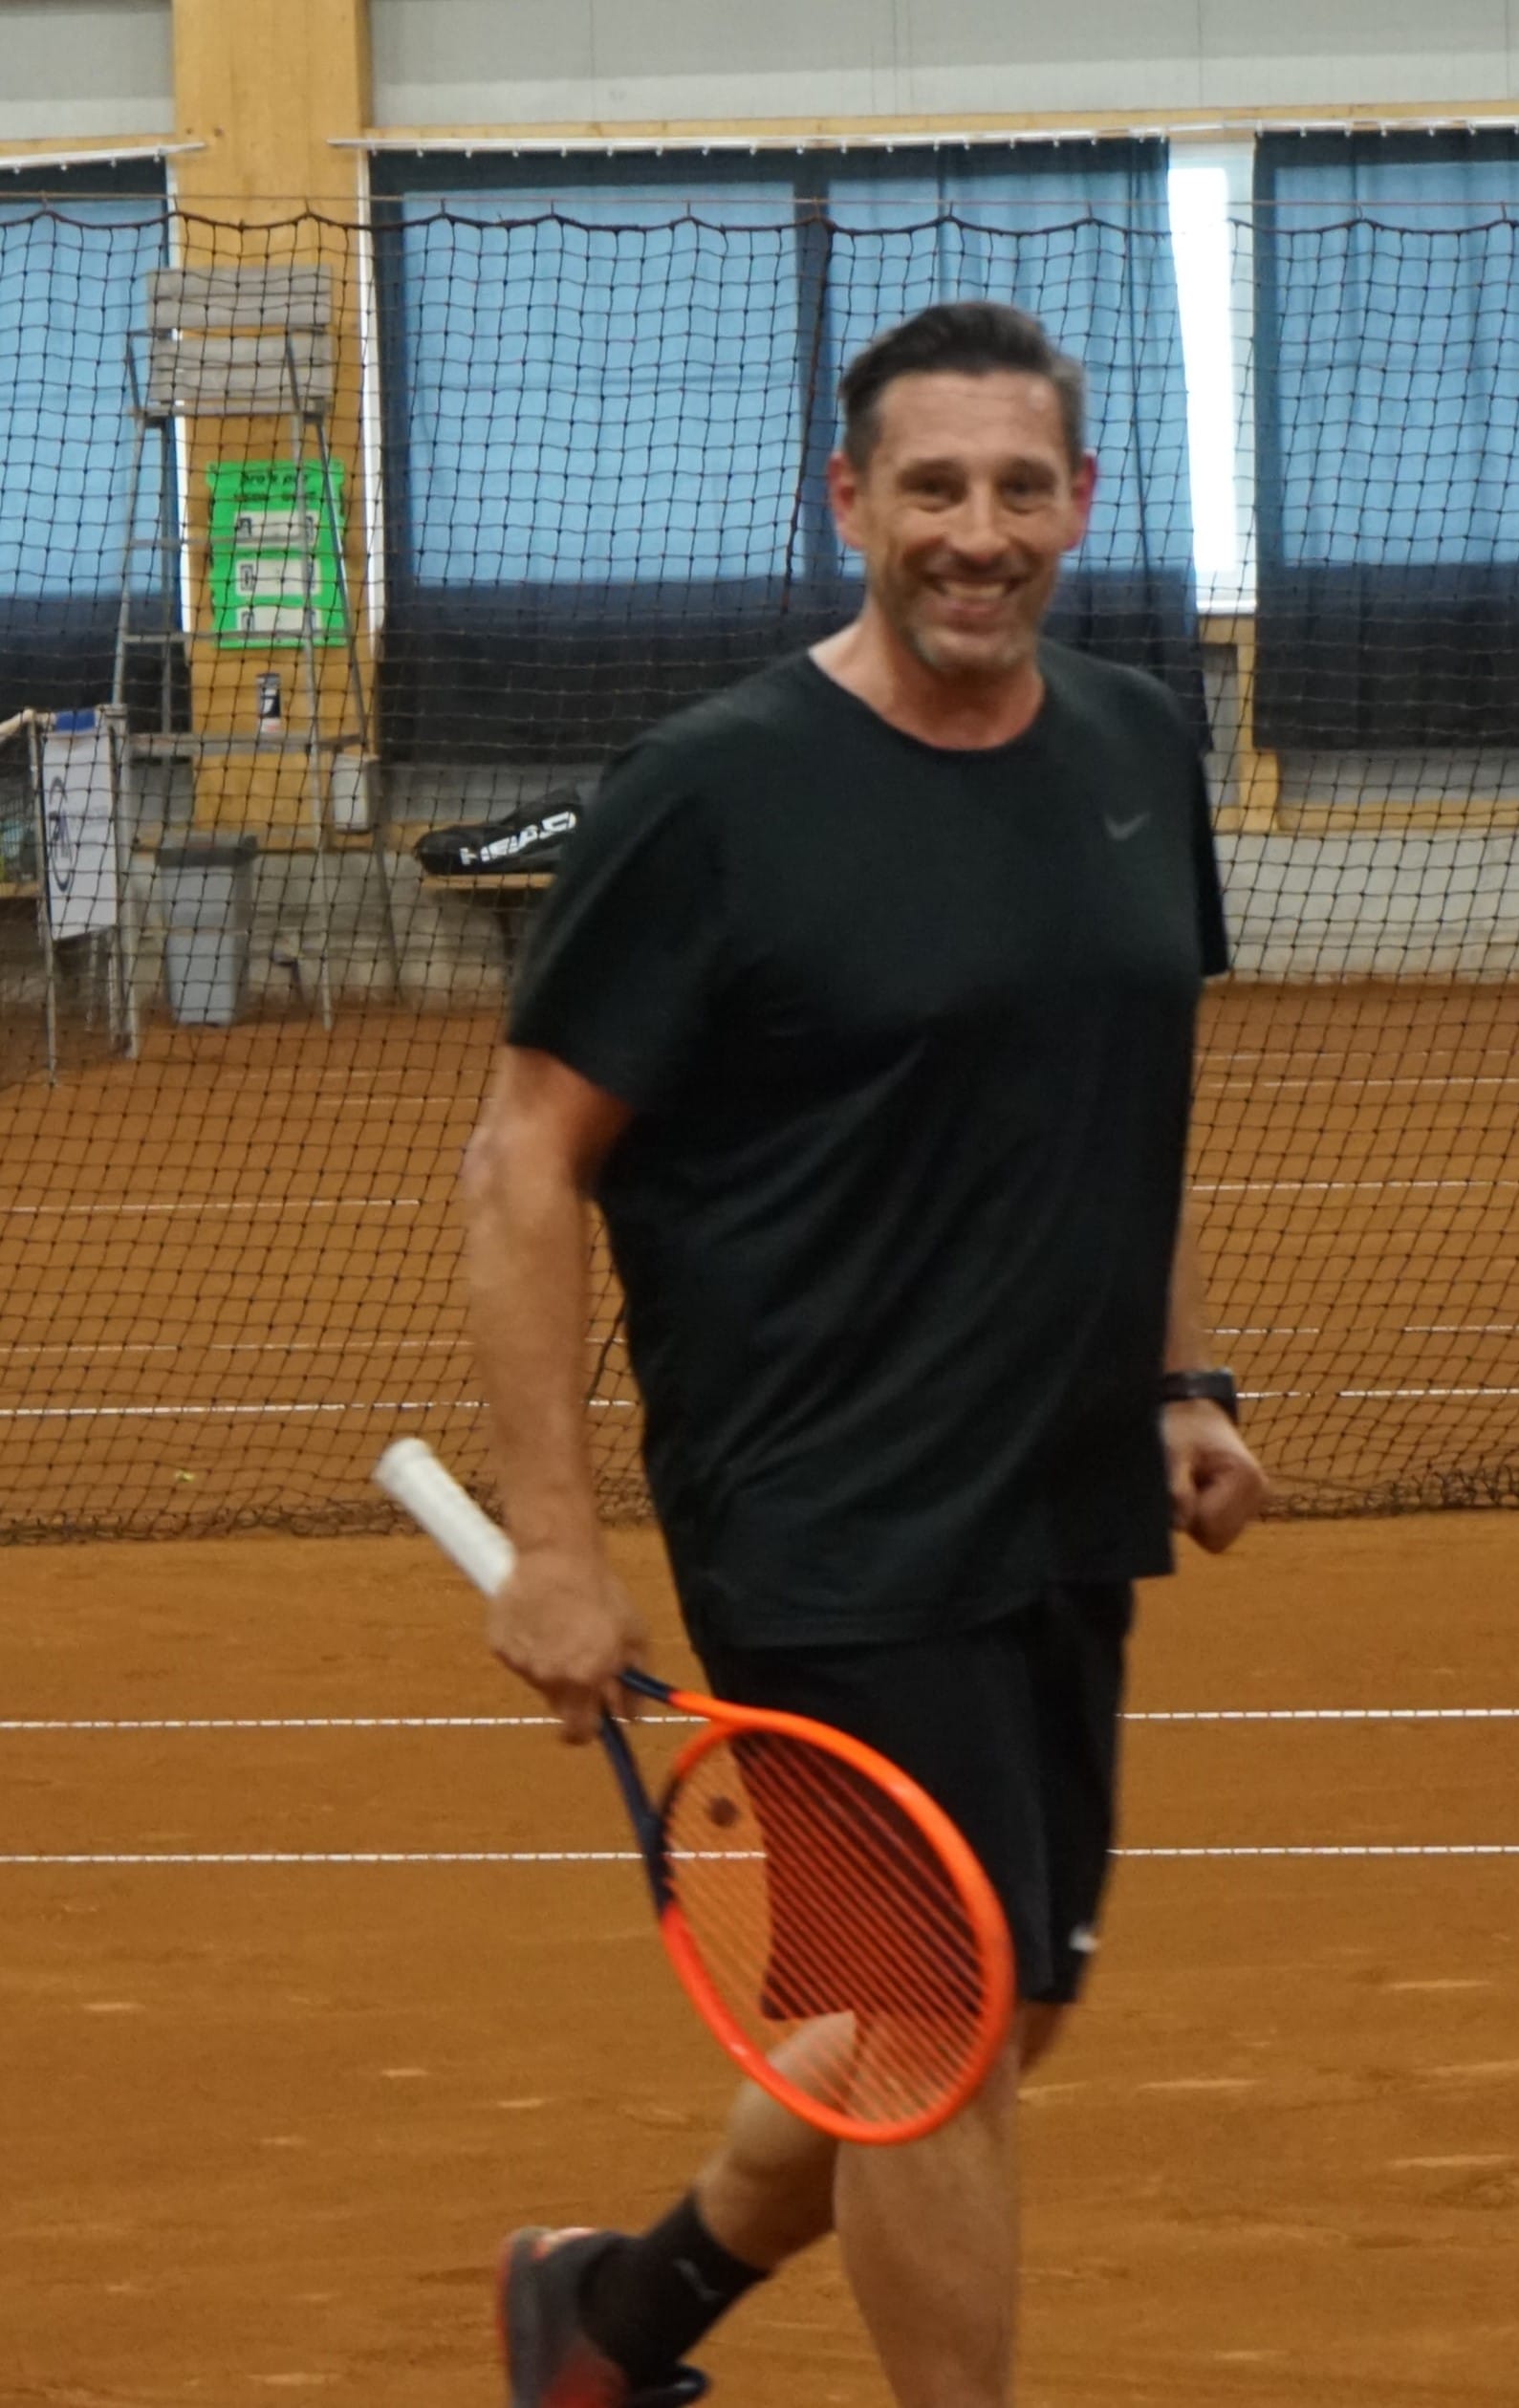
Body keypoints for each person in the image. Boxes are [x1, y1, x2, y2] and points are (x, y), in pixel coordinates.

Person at [463, 298, 1269, 2408]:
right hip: (828, 1514)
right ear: (849, 500)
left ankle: (611, 2320)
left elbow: (1115, 1104)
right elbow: (523, 1160)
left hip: (1062, 1491)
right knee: (934, 2036)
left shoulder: (1134, 747)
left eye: (1018, 487)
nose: (975, 531)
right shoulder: (711, 794)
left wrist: (1183, 1383)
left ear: (1079, 503)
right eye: (931, 487)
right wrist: (555, 1544)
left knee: (1005, 2011)